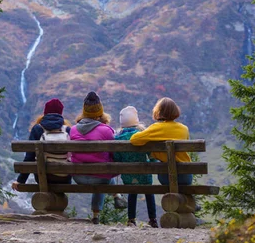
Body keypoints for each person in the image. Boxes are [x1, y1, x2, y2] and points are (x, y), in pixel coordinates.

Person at [70, 91, 127, 224]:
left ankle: (109, 202)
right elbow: (114, 154)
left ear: (84, 111)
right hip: (100, 178)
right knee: (102, 174)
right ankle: (104, 207)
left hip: (78, 177)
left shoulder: (73, 130)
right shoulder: (106, 130)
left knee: (100, 173)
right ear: (100, 111)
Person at [130, 97, 192, 187]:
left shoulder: (156, 128)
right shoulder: (184, 129)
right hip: (185, 175)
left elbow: (134, 140)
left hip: (166, 176)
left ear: (158, 112)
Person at [11, 98, 71, 190]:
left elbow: (29, 157)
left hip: (43, 177)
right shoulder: (67, 130)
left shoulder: (37, 129)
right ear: (61, 113)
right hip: (64, 178)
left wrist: (20, 180)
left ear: (45, 112)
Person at [113, 106, 158, 228]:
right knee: (149, 192)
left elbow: (116, 157)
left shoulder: (117, 138)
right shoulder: (141, 136)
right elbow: (151, 155)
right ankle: (153, 219)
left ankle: (131, 220)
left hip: (127, 175)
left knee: (132, 192)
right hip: (144, 173)